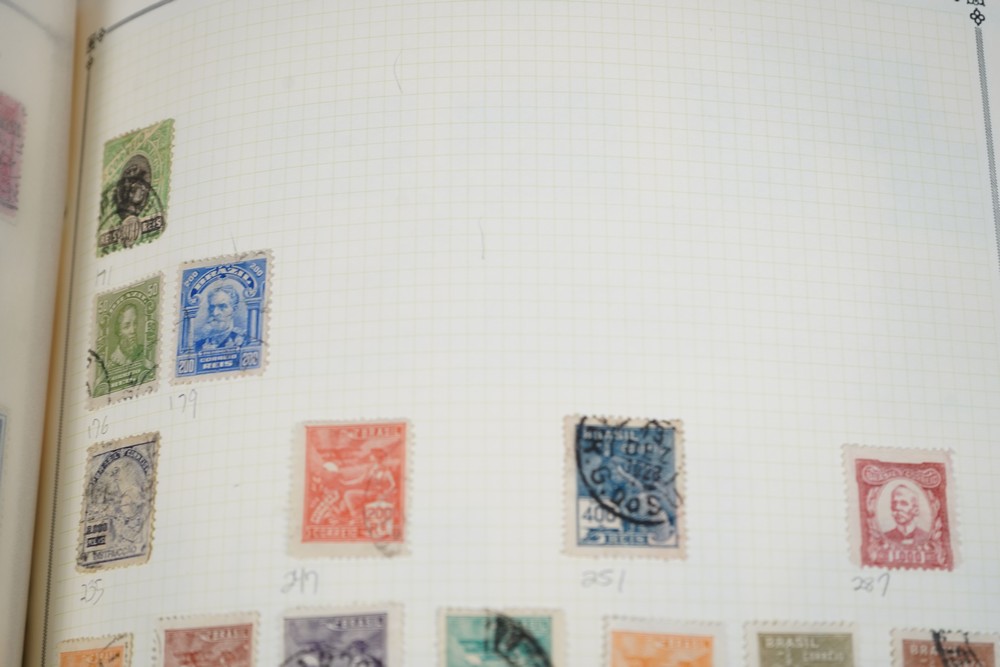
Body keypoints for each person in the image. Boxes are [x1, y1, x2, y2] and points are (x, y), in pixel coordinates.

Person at [195, 284, 246, 351]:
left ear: (234, 309)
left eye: (222, 306)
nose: (215, 313)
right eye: (212, 307)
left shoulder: (244, 340)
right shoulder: (199, 344)